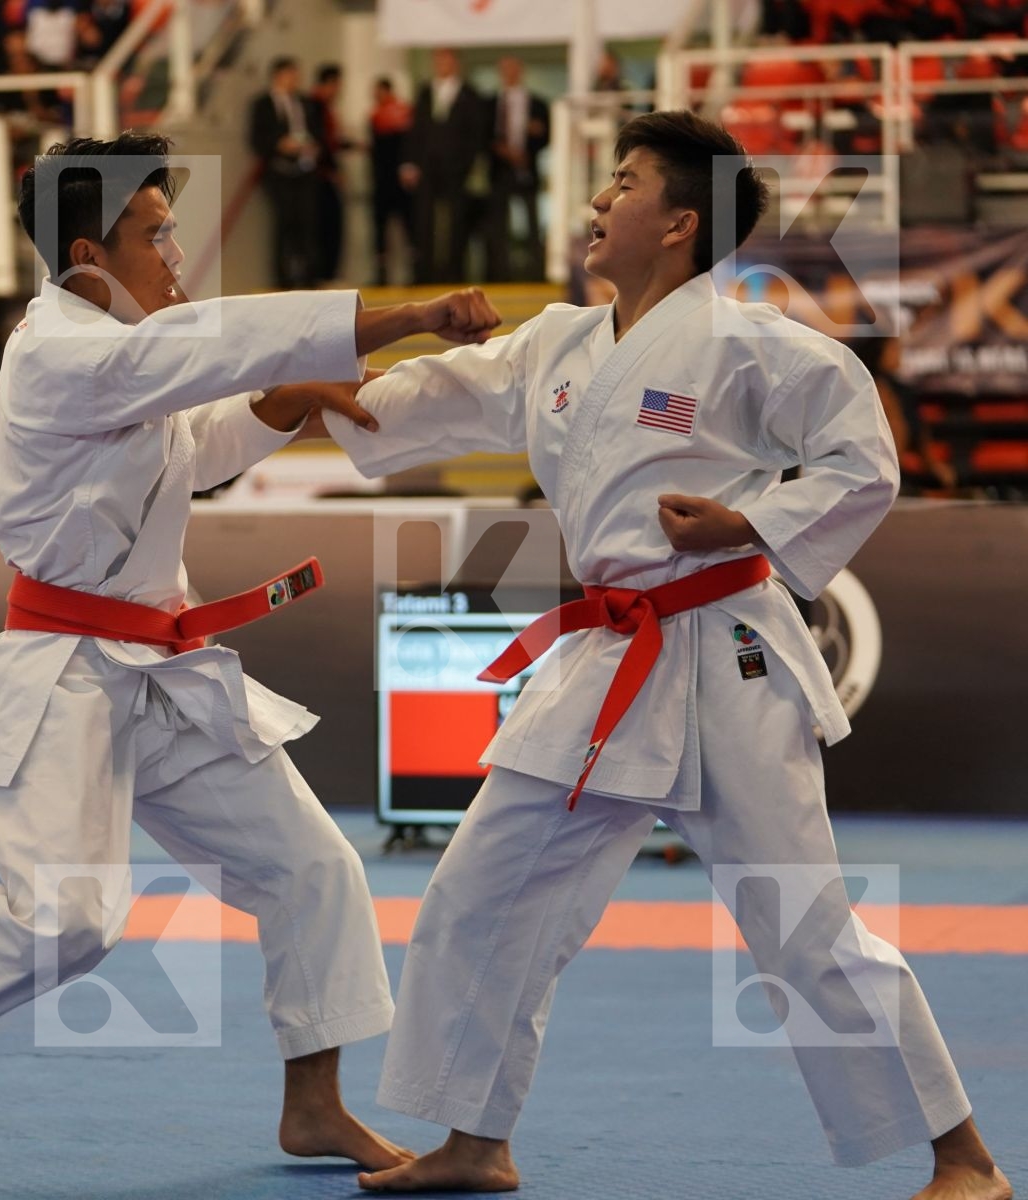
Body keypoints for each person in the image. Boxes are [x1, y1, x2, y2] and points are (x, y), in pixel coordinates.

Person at [326, 111, 1011, 1200]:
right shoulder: (557, 343)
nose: (599, 200)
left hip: (725, 651)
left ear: (682, 223)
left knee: (799, 920)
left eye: (624, 183)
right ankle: (476, 1138)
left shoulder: (757, 345)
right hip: (608, 658)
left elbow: (864, 463)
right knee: (481, 887)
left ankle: (963, 1158)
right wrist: (313, 391)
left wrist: (748, 527)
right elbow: (430, 401)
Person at [0, 130, 502, 1178]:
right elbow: (214, 348)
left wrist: (289, 398)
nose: (175, 253)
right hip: (63, 674)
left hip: (162, 673)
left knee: (313, 867)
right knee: (67, 921)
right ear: (89, 256)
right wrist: (406, 315)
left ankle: (313, 1106)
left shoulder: (124, 357)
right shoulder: (61, 352)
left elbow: (205, 442)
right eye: (154, 234)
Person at [402, 48, 489, 284]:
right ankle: (425, 273)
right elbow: (416, 130)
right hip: (427, 167)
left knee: (457, 222)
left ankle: (454, 273)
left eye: (446, 60)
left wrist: (465, 164)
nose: (441, 64)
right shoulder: (425, 92)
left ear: (456, 63)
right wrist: (411, 162)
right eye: (438, 60)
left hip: (456, 169)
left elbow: (476, 135)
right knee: (424, 220)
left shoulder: (469, 95)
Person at [249, 57, 322, 288]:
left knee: (308, 223)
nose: (295, 80)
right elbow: (257, 138)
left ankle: (309, 276)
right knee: (284, 223)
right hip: (279, 171)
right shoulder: (263, 103)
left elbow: (316, 130)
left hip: (305, 169)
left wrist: (312, 146)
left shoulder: (305, 102)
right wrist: (280, 144)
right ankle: (283, 278)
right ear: (278, 76)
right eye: (291, 75)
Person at [484, 55, 549, 282]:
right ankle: (500, 275)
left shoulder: (538, 104)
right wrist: (501, 150)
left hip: (527, 170)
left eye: (513, 69)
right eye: (505, 69)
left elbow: (548, 135)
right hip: (499, 171)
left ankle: (535, 274)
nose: (510, 73)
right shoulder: (490, 104)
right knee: (498, 225)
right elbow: (482, 137)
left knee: (532, 223)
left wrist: (535, 137)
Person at [368, 77, 415, 287]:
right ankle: (382, 272)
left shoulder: (401, 112)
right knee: (382, 228)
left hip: (397, 181)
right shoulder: (375, 115)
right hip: (382, 180)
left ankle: (414, 271)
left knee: (407, 226)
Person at [309, 64, 348, 285]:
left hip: (325, 173)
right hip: (321, 176)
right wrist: (332, 171)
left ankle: (328, 274)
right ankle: (324, 275)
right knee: (327, 225)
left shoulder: (326, 107)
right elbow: (321, 142)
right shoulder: (315, 106)